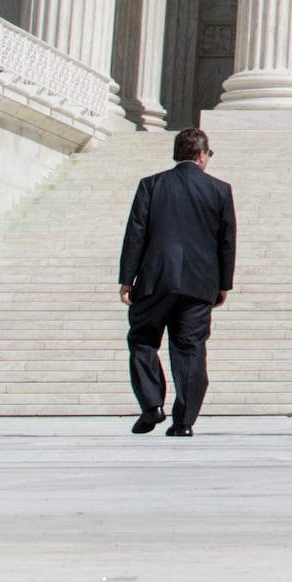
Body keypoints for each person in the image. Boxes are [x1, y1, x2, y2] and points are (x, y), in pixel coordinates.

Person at [117, 128, 237, 438]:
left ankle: (151, 403)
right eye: (208, 154)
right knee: (191, 350)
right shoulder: (220, 190)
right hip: (199, 284)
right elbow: (226, 241)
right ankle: (183, 422)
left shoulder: (151, 185)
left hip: (155, 280)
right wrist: (223, 283)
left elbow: (136, 233)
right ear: (201, 154)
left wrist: (127, 278)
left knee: (142, 340)